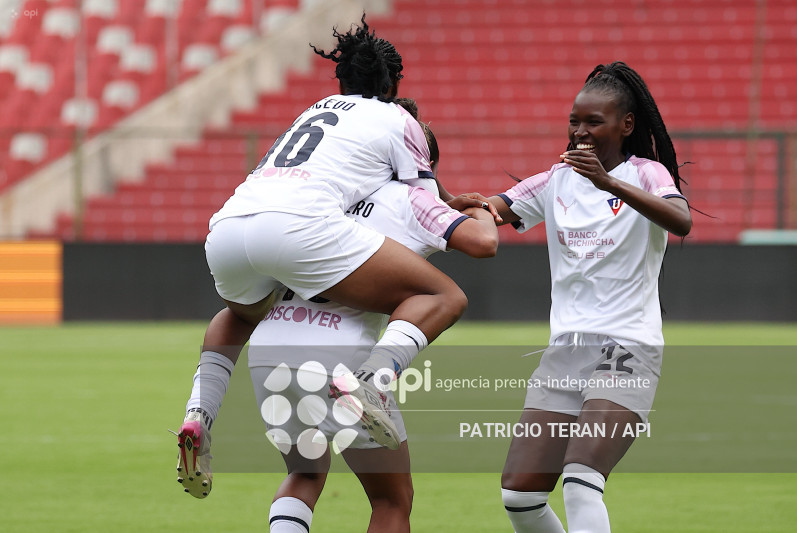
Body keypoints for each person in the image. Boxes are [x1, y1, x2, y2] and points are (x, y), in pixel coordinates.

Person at [174, 17, 498, 499]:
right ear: (392, 86)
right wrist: (462, 205)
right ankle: (372, 379)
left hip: (229, 228)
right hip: (297, 228)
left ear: (342, 81)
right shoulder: (398, 119)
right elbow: (423, 193)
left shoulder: (315, 110)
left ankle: (199, 413)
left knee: (238, 316)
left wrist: (448, 197)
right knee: (442, 295)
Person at [250, 110, 498, 532]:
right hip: (338, 359)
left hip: (269, 348)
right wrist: (481, 209)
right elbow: (482, 242)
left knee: (304, 473)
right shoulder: (411, 199)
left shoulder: (324, 192)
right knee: (391, 499)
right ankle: (374, 378)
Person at [481, 62, 692, 532]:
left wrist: (608, 183)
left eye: (593, 121)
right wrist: (442, 200)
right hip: (566, 352)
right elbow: (492, 209)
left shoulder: (646, 174)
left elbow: (681, 220)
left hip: (627, 346)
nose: (580, 132)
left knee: (581, 479)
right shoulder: (555, 179)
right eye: (574, 121)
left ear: (626, 124)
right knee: (520, 495)